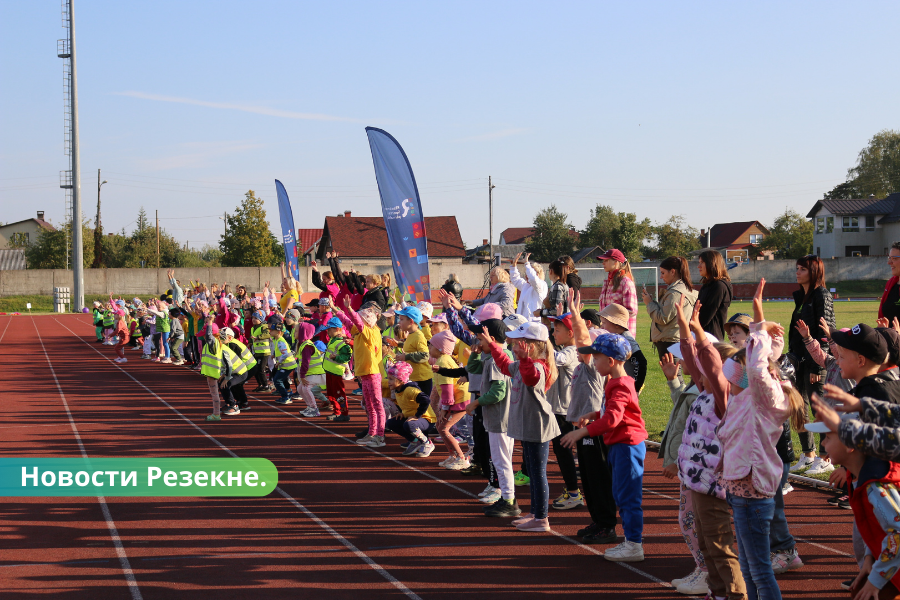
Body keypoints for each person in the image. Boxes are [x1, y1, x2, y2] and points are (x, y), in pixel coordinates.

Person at [673, 295, 746, 599]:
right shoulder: (703, 389)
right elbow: (693, 361)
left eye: (707, 362)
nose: (696, 368)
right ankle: (717, 592)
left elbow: (712, 366)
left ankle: (737, 595)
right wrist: (684, 327)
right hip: (698, 482)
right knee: (706, 544)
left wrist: (701, 334)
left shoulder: (723, 397)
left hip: (714, 484)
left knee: (719, 545)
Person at [562, 333, 648, 563]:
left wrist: (582, 431)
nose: (593, 361)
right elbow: (612, 412)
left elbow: (613, 420)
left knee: (628, 497)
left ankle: (633, 544)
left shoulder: (620, 385)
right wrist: (594, 414)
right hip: (619, 445)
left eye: (596, 358)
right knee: (620, 493)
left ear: (611, 361)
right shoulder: (617, 381)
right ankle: (631, 541)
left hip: (627, 446)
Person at [486, 321, 560, 533]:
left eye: (517, 343)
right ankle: (535, 512)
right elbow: (504, 366)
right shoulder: (521, 364)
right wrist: (493, 346)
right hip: (528, 425)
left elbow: (530, 379)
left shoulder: (536, 366)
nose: (512, 346)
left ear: (531, 346)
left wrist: (526, 359)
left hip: (538, 426)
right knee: (533, 470)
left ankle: (542, 518)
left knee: (538, 473)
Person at [564, 292, 618, 545]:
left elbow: (582, 338)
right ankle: (598, 520)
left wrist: (575, 316)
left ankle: (607, 524)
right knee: (587, 479)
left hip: (594, 434)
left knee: (597, 479)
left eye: (590, 353)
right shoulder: (582, 366)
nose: (581, 352)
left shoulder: (592, 369)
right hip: (584, 429)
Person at [466, 318, 520, 518]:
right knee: (499, 460)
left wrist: (476, 403)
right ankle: (506, 497)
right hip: (496, 418)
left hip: (500, 419)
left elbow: (499, 392)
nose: (478, 343)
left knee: (502, 460)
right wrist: (474, 354)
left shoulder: (499, 359)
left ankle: (508, 500)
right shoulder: (490, 358)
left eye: (480, 339)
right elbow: (474, 369)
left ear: (493, 339)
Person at [788, 256, 836, 473]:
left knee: (819, 409)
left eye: (802, 269)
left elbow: (826, 330)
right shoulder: (802, 296)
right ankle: (808, 454)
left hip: (815, 360)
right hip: (799, 360)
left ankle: (826, 458)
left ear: (814, 271)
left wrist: (819, 365)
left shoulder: (822, 295)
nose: (797, 272)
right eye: (797, 268)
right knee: (798, 407)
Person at [545, 312, 583, 511]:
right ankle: (573, 490)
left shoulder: (570, 351)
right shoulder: (568, 348)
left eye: (557, 330)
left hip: (564, 411)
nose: (553, 333)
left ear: (571, 333)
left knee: (564, 452)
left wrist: (544, 342)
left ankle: (573, 492)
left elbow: (556, 358)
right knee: (564, 452)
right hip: (562, 410)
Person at [335, 297, 385, 446]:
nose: (359, 321)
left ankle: (380, 436)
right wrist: (335, 309)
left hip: (372, 372)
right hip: (364, 373)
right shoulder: (361, 330)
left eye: (363, 319)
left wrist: (350, 309)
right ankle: (372, 433)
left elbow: (355, 321)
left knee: (377, 405)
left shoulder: (371, 332)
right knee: (369, 405)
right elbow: (349, 322)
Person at [643, 256, 698, 359]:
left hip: (670, 341)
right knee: (674, 373)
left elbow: (663, 318)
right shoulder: (681, 290)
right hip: (673, 339)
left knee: (674, 374)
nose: (660, 277)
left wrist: (649, 303)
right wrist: (652, 302)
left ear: (672, 272)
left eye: (663, 273)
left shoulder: (675, 293)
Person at [430, 330, 470, 469]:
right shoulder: (443, 360)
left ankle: (461, 458)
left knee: (444, 428)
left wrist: (444, 408)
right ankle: (453, 456)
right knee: (440, 428)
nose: (429, 348)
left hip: (460, 400)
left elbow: (447, 389)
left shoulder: (443, 362)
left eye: (431, 346)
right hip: (456, 399)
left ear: (440, 348)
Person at [385, 361, 437, 457]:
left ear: (401, 380)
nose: (388, 382)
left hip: (427, 419)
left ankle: (427, 442)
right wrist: (403, 414)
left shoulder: (410, 389)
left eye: (391, 379)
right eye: (388, 379)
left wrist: (417, 416)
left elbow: (425, 400)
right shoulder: (398, 390)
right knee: (391, 423)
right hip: (413, 418)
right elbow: (408, 405)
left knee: (409, 424)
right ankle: (414, 441)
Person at [597, 248, 638, 338]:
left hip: (622, 336)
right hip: (607, 334)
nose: (603, 263)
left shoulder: (626, 282)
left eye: (606, 260)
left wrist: (611, 320)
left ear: (616, 262)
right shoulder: (608, 282)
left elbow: (631, 311)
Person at [393, 306, 433, 395]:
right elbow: (412, 347)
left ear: (411, 321)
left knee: (421, 407)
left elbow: (425, 355)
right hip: (414, 377)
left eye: (402, 319)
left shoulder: (418, 336)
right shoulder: (411, 334)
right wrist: (399, 344)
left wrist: (406, 356)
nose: (399, 322)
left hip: (421, 379)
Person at [696, 250, 734, 340]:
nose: (698, 266)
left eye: (702, 263)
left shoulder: (718, 286)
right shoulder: (708, 285)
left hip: (711, 338)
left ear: (712, 263)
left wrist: (692, 327)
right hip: (702, 336)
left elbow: (705, 316)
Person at [218, 327, 256, 416]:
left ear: (230, 338)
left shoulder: (233, 345)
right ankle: (239, 401)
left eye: (223, 337)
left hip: (249, 366)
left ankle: (242, 402)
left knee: (236, 383)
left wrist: (227, 375)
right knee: (234, 384)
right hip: (244, 366)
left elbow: (236, 361)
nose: (220, 339)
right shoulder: (227, 344)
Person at [322, 316, 353, 421]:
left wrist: (337, 358)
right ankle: (337, 411)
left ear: (337, 329)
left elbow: (347, 356)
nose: (328, 332)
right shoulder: (332, 339)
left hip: (336, 373)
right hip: (329, 371)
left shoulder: (341, 342)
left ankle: (344, 414)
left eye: (329, 329)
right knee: (331, 393)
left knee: (339, 394)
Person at [294, 323, 327, 418]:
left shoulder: (307, 346)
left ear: (303, 333)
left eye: (296, 331)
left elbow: (305, 362)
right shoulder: (303, 345)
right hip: (311, 373)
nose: (294, 333)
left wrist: (302, 376)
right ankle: (309, 406)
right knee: (300, 388)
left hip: (317, 373)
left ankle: (314, 409)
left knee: (306, 388)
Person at [509, 252, 547, 322]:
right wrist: (514, 265)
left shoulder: (541, 285)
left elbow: (533, 279)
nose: (526, 276)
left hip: (534, 322)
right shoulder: (526, 286)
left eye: (528, 274)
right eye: (526, 274)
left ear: (537, 274)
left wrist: (527, 264)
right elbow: (515, 279)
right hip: (522, 322)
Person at [270, 322, 298, 406]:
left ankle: (286, 397)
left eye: (272, 330)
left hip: (287, 364)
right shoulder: (277, 340)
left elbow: (285, 354)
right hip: (285, 364)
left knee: (277, 380)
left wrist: (278, 362)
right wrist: (275, 354)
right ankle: (287, 391)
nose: (270, 331)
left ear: (278, 332)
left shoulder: (280, 341)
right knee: (278, 377)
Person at [878, 241, 900, 325]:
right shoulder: (890, 283)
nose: (889, 262)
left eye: (894, 258)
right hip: (889, 337)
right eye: (889, 258)